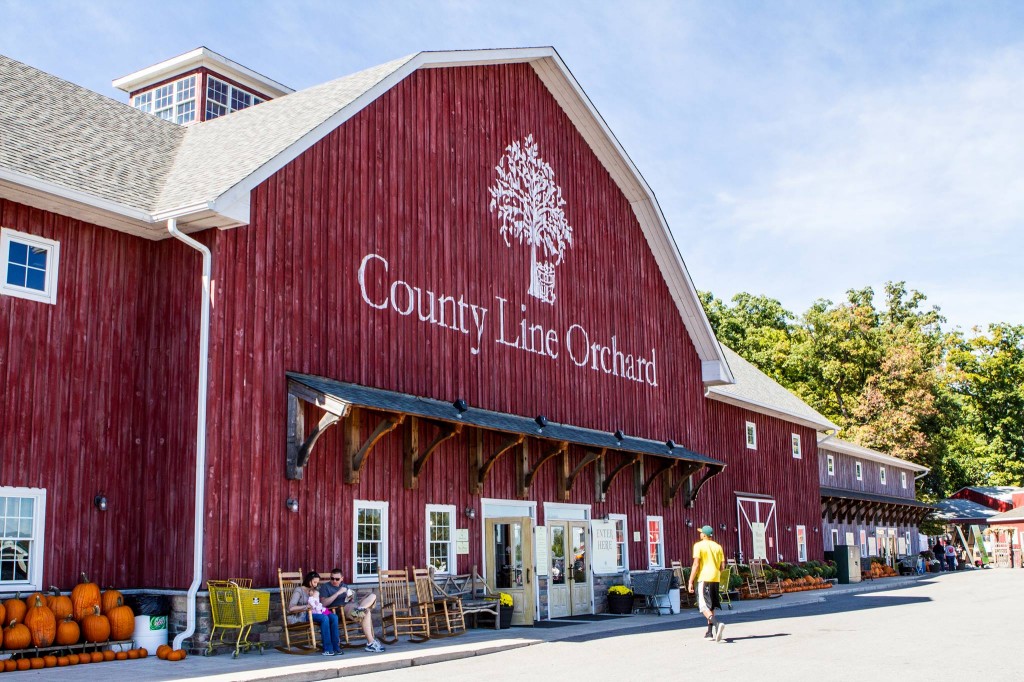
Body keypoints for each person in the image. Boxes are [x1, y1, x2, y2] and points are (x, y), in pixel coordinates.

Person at [319, 568, 386, 653]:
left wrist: (351, 597)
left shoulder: (345, 586)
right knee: (367, 612)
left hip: (353, 606)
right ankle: (371, 642)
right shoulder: (325, 587)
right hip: (341, 610)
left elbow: (352, 600)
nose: (334, 581)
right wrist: (338, 593)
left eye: (337, 579)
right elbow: (323, 603)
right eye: (332, 578)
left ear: (342, 578)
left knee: (372, 595)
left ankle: (361, 609)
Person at [687, 524, 726, 642]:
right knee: (711, 605)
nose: (700, 534)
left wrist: (690, 581)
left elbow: (696, 564)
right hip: (715, 577)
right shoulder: (718, 547)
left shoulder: (698, 546)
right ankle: (709, 633)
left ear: (704, 535)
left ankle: (717, 624)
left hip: (704, 577)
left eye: (701, 532)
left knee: (703, 605)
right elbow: (722, 566)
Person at [287, 571, 341, 656]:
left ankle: (336, 647)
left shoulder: (314, 591)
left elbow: (317, 605)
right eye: (314, 582)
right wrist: (306, 607)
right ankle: (327, 649)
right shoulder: (299, 590)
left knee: (334, 617)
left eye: (317, 582)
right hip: (303, 615)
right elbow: (291, 608)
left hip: (314, 613)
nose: (316, 584)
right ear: (309, 580)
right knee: (324, 618)